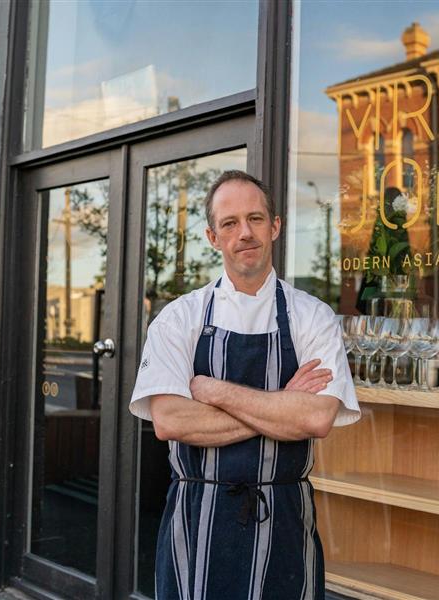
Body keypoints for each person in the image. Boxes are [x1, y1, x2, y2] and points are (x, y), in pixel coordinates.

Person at [129, 170, 360, 600]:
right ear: (213, 237)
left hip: (284, 517)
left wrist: (213, 392)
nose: (245, 233)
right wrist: (282, 406)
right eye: (230, 223)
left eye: (255, 219)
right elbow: (170, 420)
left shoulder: (313, 317)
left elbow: (316, 417)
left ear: (275, 227)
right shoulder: (179, 318)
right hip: (198, 518)